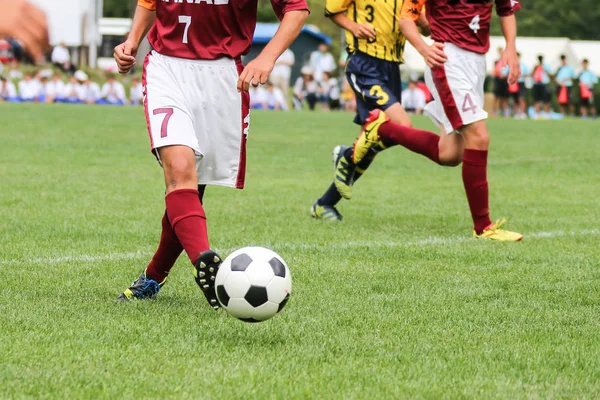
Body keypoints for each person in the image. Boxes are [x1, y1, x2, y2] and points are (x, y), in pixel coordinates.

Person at [113, 0, 309, 303]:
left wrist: (267, 58)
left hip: (223, 76)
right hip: (166, 68)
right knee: (179, 171)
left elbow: (296, 8)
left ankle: (153, 277)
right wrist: (132, 39)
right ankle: (208, 268)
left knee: (193, 186)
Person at [348, 0, 523, 241]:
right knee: (479, 137)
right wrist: (423, 48)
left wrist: (510, 47)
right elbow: (406, 18)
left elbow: (506, 9)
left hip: (477, 63)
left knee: (450, 154)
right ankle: (483, 227)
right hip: (447, 60)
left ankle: (383, 129)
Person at [311, 0, 429, 221]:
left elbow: (427, 29)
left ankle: (324, 203)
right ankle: (347, 155)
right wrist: (353, 27)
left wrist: (422, 20)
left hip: (392, 67)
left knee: (374, 141)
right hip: (364, 63)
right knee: (402, 126)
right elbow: (332, 10)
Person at [492, 47, 509, 117]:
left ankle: (505, 113)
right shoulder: (496, 62)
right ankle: (494, 113)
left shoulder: (507, 61)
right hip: (498, 80)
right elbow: (494, 71)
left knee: (504, 98)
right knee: (496, 97)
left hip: (504, 81)